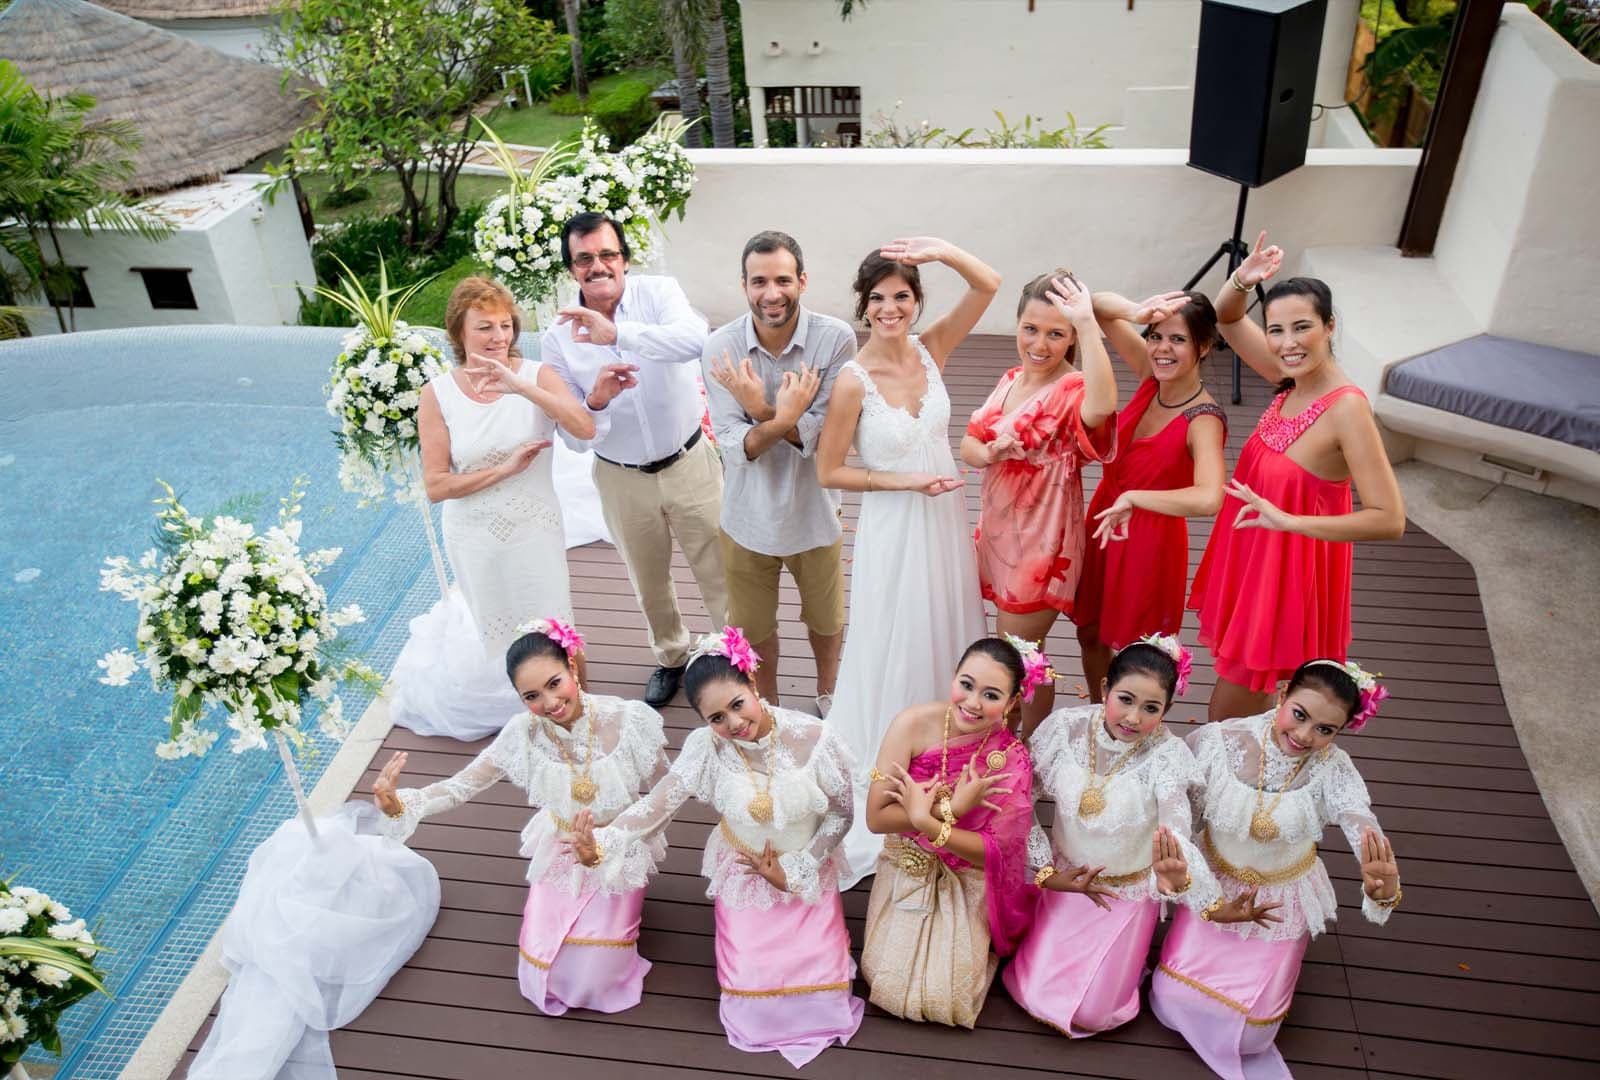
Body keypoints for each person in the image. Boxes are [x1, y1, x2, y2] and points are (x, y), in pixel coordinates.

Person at [572, 627, 863, 1067]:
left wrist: (799, 868)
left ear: (752, 682)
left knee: (820, 994)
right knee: (753, 997)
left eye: (737, 705)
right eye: (716, 718)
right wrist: (605, 839)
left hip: (803, 868)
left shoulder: (814, 737)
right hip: (746, 870)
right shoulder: (706, 748)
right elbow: (657, 805)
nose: (733, 724)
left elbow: (842, 814)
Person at [372, 618, 670, 1016]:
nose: (549, 703)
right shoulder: (522, 734)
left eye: (554, 683)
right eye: (531, 695)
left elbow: (666, 796)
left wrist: (613, 841)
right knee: (541, 964)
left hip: (618, 849)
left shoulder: (628, 720)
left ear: (572, 667)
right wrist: (405, 804)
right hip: (563, 847)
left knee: (594, 976)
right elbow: (463, 785)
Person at [817, 237, 997, 886]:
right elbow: (829, 469)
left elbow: (989, 285)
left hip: (944, 519)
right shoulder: (851, 380)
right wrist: (904, 483)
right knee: (897, 633)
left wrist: (946, 251)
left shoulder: (932, 348)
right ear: (862, 308)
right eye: (878, 299)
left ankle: (954, 752)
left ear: (917, 304)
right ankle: (897, 762)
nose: (890, 309)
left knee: (947, 623)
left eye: (902, 297)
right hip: (896, 522)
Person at [388, 277, 631, 741]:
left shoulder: (537, 376)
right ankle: (541, 732)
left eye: (504, 325)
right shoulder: (437, 394)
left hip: (533, 529)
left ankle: (585, 726)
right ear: (460, 333)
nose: (498, 337)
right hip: (474, 536)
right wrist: (503, 471)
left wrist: (521, 387)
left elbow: (583, 428)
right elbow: (436, 485)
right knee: (503, 641)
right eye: (484, 327)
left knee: (558, 631)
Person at [1189, 232, 1405, 721]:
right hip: (1254, 557)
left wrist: (1291, 522)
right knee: (1249, 712)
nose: (1287, 343)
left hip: (1288, 576)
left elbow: (1389, 518)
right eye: (1276, 330)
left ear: (1329, 327)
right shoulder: (1290, 378)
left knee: (1226, 717)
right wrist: (1243, 279)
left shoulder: (1347, 409)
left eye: (1302, 327)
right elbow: (1225, 316)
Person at [1152, 658, 1402, 1079]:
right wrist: (1200, 893)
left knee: (1253, 1035)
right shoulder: (1218, 740)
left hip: (1279, 902)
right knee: (1171, 999)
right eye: (1300, 715)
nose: (1304, 736)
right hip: (1216, 886)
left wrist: (1380, 883)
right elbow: (1177, 806)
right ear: (1282, 693)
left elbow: (1359, 817)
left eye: (1325, 730)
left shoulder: (1334, 769)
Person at [541, 211, 727, 706]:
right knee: (648, 579)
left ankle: (738, 655)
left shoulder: (659, 293)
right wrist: (596, 400)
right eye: (584, 259)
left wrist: (617, 335)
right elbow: (575, 438)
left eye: (607, 254)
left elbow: (696, 341)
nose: (597, 266)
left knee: (719, 568)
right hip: (621, 476)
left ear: (624, 257)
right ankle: (671, 657)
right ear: (571, 269)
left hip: (689, 460)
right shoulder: (556, 337)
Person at [1004, 634, 1222, 1038]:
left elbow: (1175, 824)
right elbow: (1019, 797)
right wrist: (1044, 869)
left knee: (1094, 1011)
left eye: (1151, 708)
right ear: (1105, 687)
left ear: (1167, 711)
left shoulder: (1168, 758)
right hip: (1066, 881)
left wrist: (1175, 873)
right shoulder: (1065, 729)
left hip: (1123, 893)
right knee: (1034, 989)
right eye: (1125, 699)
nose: (1134, 718)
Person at [702, 231, 856, 716]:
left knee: (826, 618)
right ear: (744, 285)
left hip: (814, 512)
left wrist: (763, 411)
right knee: (753, 626)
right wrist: (787, 418)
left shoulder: (836, 339)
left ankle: (829, 692)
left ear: (803, 281)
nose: (772, 293)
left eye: (783, 279)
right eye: (760, 281)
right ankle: (765, 703)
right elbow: (731, 445)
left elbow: (829, 435)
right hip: (746, 518)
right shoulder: (720, 348)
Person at [961, 271, 1118, 734]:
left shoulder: (1072, 388)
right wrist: (986, 452)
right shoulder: (1011, 378)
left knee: (1018, 656)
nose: (1040, 344)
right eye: (1031, 329)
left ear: (1071, 338)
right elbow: (971, 442)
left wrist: (1090, 324)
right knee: (1021, 653)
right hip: (998, 532)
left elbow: (1103, 406)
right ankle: (1017, 740)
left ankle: (1021, 742)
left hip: (1042, 543)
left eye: (1056, 333)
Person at [858, 636, 1044, 1027]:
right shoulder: (911, 723)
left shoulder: (1011, 759)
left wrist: (928, 820)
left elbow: (995, 852)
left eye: (991, 694)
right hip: (907, 860)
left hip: (967, 874)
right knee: (886, 982)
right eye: (966, 684)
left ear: (1011, 704)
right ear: (954, 678)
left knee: (947, 997)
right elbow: (876, 818)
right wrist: (952, 809)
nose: (973, 702)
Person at [1072, 289, 1228, 701]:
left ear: (1205, 346)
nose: (1161, 348)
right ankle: (1097, 707)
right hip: (1106, 517)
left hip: (1149, 540)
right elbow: (1098, 304)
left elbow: (1210, 497)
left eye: (1178, 340)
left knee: (1136, 651)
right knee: (1088, 629)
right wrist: (1136, 311)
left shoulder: (1204, 419)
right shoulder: (1150, 373)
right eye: (1155, 335)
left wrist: (1139, 499)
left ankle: (1130, 724)